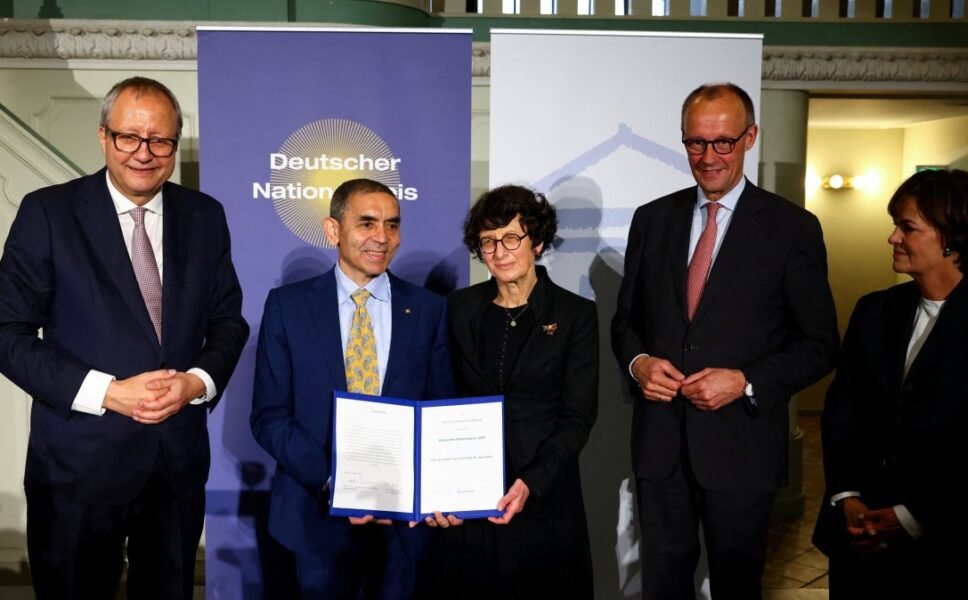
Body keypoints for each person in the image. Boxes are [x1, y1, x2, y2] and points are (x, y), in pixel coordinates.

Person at [0, 77, 249, 599]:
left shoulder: (205, 217)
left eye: (160, 140)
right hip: (77, 466)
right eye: (129, 137)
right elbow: (8, 332)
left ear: (174, 143)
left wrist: (196, 383)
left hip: (175, 464)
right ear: (103, 136)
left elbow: (229, 321)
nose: (144, 153)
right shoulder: (48, 213)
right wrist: (108, 392)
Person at [610, 82, 839, 599]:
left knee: (737, 588)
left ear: (750, 137)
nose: (708, 157)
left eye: (723, 142)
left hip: (742, 452)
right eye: (696, 142)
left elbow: (820, 344)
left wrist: (745, 380)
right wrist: (639, 362)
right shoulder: (652, 220)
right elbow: (625, 322)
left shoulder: (792, 228)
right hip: (661, 449)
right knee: (661, 586)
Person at [251, 178, 454, 599]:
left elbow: (441, 410)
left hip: (403, 524)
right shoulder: (288, 307)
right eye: (367, 223)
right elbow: (270, 417)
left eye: (392, 225)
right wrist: (337, 483)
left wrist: (438, 488)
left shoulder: (429, 309)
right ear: (333, 230)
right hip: (314, 516)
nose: (382, 237)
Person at [813, 169, 968, 598]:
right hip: (856, 537)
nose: (892, 237)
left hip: (942, 544)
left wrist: (909, 515)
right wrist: (847, 495)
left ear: (951, 241)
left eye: (907, 228)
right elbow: (842, 410)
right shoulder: (873, 310)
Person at [427, 185, 598, 598]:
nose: (499, 252)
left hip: (542, 494)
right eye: (488, 241)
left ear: (536, 242)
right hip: (470, 497)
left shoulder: (575, 315)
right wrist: (438, 485)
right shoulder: (458, 308)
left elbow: (577, 417)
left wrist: (530, 483)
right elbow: (439, 401)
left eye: (511, 238)